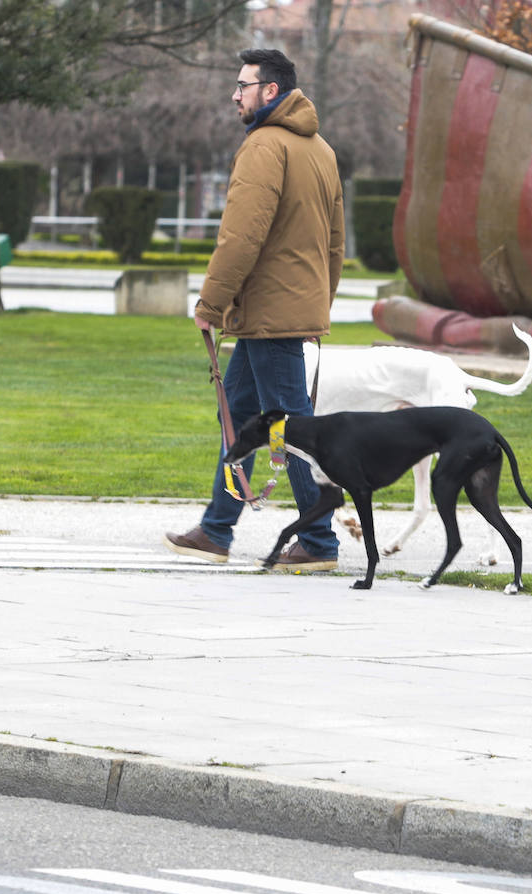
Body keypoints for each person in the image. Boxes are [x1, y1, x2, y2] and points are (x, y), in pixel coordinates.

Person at [164, 48, 344, 570]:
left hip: (269, 315)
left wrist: (211, 304)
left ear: (270, 91)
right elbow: (336, 243)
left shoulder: (265, 146)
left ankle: (318, 543)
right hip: (283, 312)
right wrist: (318, 305)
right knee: (243, 419)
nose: (234, 95)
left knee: (296, 430)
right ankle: (217, 530)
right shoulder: (322, 150)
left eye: (242, 85)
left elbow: (241, 236)